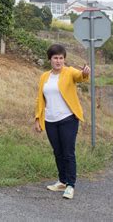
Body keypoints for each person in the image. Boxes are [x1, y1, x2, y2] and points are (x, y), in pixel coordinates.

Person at [34, 44, 90, 199]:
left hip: (68, 119)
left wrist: (85, 73)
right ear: (50, 59)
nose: (58, 61)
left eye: (61, 58)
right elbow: (40, 98)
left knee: (68, 153)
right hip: (50, 120)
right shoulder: (44, 76)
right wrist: (38, 118)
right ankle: (62, 181)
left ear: (64, 59)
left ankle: (71, 185)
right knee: (58, 152)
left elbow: (81, 76)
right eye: (55, 58)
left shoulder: (69, 72)